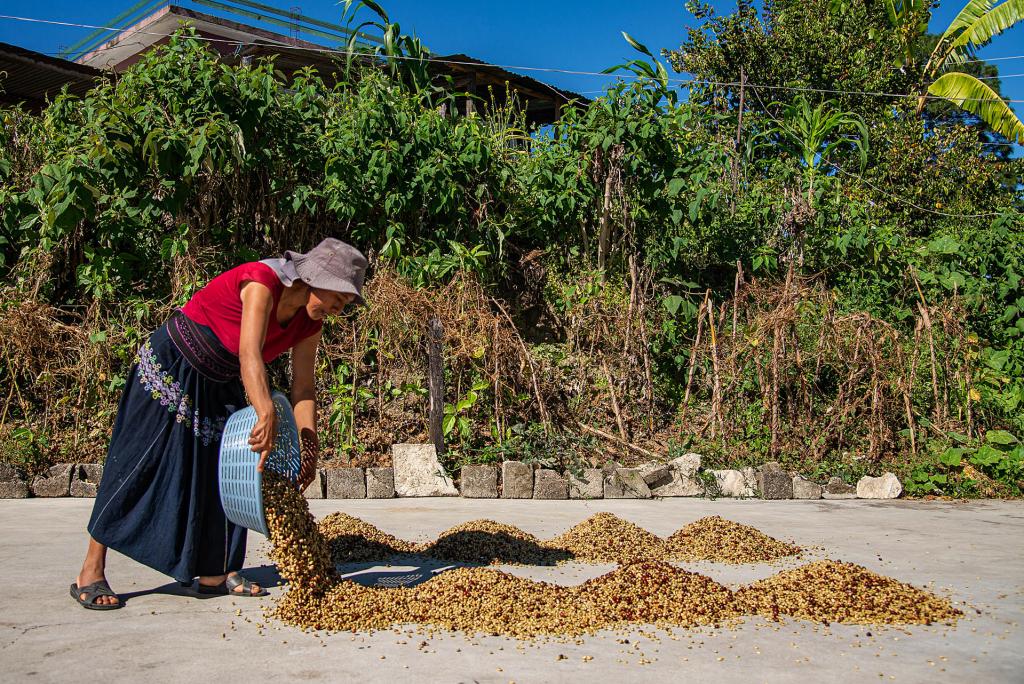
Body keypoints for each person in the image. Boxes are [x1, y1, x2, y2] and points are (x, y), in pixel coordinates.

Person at [70, 238, 367, 609]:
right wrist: (265, 411)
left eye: (344, 304)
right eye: (338, 298)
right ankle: (90, 570)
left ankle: (216, 571)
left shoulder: (310, 323)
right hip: (176, 361)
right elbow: (249, 354)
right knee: (137, 462)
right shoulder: (262, 282)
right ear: (314, 278)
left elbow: (303, 388)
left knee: (225, 473)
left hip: (221, 378)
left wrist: (309, 443)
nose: (338, 310)